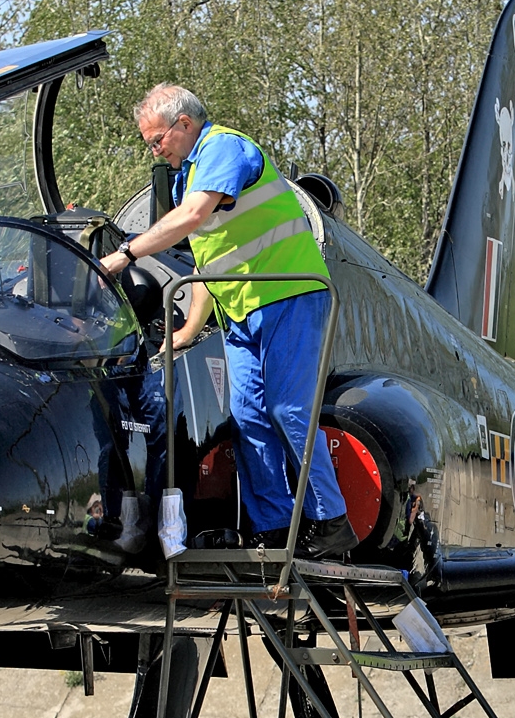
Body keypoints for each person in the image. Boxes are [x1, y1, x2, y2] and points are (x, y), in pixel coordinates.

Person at [98, 84, 355, 558]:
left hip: (289, 295)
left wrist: (126, 253)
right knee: (249, 417)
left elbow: (192, 218)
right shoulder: (188, 174)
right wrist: (187, 333)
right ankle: (273, 527)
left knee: (289, 411)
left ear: (184, 125)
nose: (155, 151)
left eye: (157, 141)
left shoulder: (222, 149)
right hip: (241, 309)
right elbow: (205, 266)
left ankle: (330, 519)